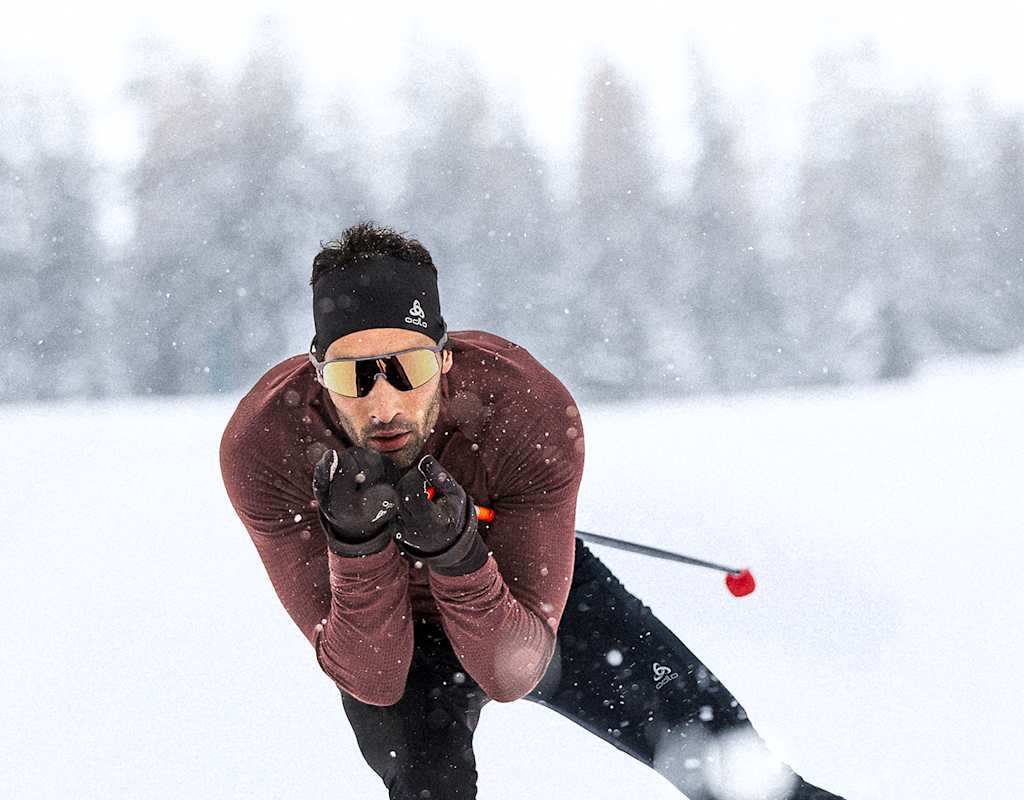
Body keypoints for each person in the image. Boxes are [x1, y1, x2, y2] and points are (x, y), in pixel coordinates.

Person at [219, 222, 843, 799]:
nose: (384, 404)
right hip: (383, 627)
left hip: (515, 587)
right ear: (317, 374)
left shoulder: (525, 410)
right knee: (429, 783)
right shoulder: (265, 447)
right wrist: (356, 549)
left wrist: (459, 553)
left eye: (406, 369)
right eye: (353, 376)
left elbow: (512, 670)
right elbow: (376, 678)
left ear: (443, 358)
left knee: (739, 775)